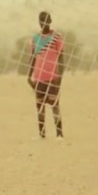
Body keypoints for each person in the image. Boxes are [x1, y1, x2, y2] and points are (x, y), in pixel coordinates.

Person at [27, 11, 66, 140]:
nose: (44, 23)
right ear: (39, 22)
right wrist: (29, 75)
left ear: (50, 21)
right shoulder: (35, 39)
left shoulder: (57, 37)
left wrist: (60, 76)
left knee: (54, 105)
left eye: (47, 20)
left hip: (53, 76)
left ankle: (59, 134)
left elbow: (61, 58)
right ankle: (42, 134)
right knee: (39, 105)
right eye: (42, 21)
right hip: (38, 77)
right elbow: (33, 57)